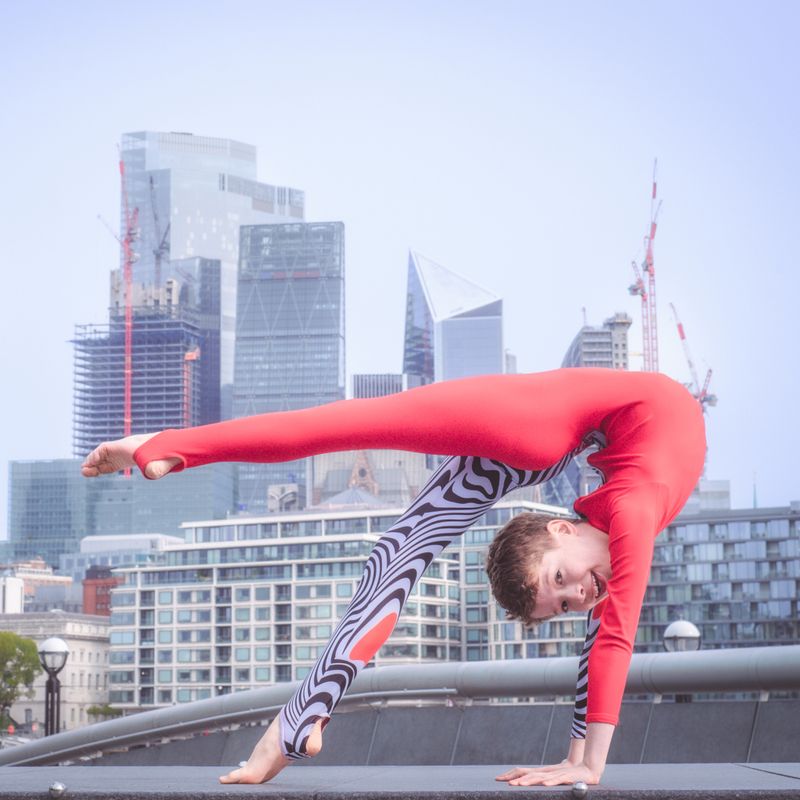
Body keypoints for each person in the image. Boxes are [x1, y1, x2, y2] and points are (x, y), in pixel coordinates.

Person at [81, 368, 706, 787]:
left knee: (406, 545)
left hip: (586, 428)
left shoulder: (609, 528)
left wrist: (576, 761)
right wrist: (589, 765)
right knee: (354, 423)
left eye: (563, 600)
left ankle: (298, 720)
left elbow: (601, 642)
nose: (583, 594)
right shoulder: (630, 513)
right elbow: (615, 639)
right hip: (552, 422)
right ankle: (165, 444)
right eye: (564, 582)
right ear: (560, 529)